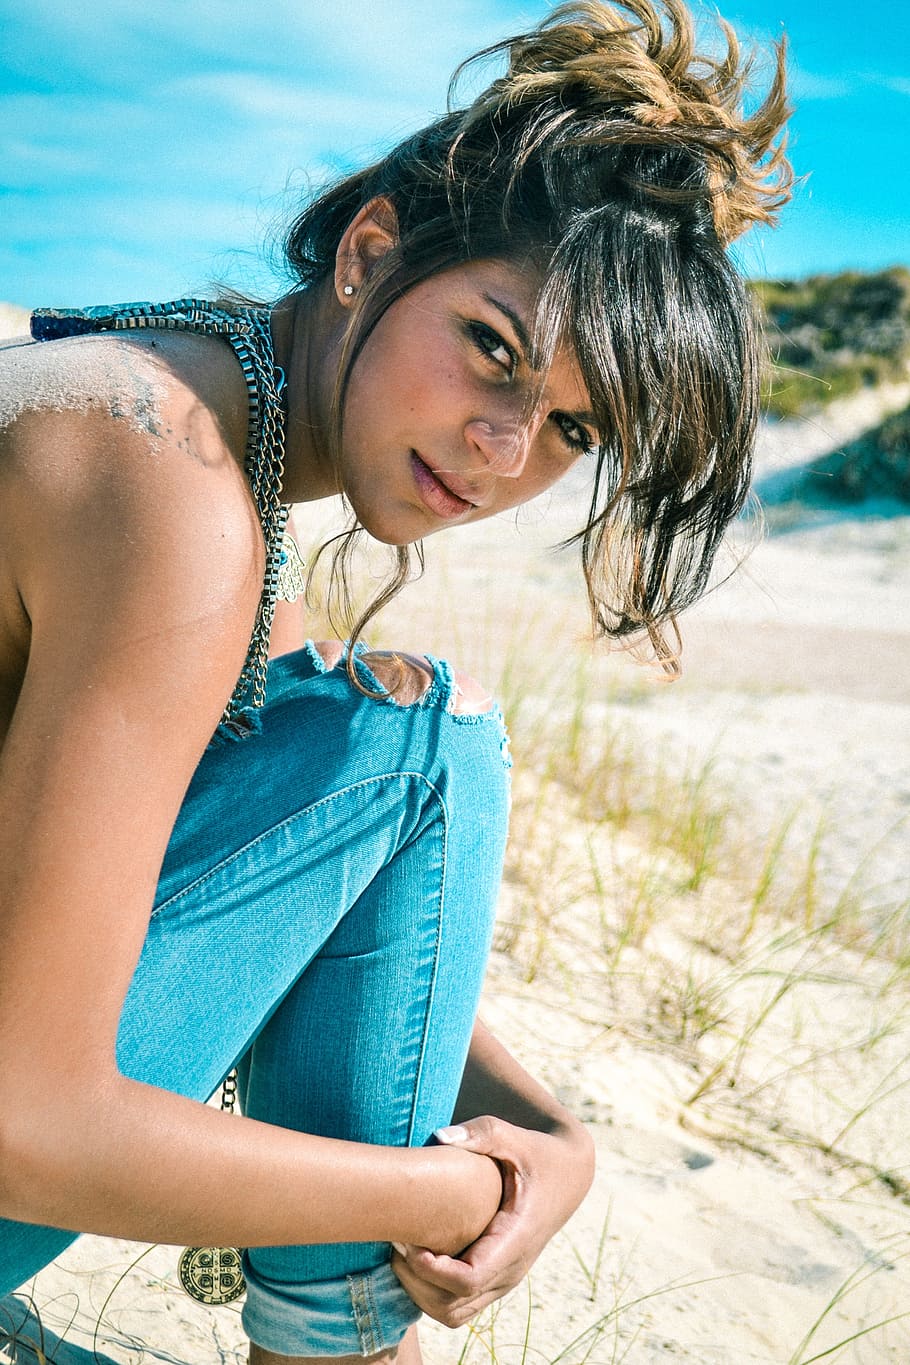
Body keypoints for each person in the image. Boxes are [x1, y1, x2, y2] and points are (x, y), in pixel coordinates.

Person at [0, 1, 791, 1360]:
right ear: (370, 252)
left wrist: (546, 1130)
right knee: (420, 735)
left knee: (383, 724)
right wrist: (448, 1192)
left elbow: (338, 864)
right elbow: (23, 1118)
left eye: (571, 428)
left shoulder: (171, 400)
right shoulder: (169, 494)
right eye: (493, 346)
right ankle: (347, 1333)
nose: (499, 447)